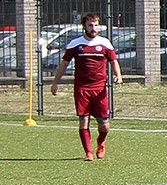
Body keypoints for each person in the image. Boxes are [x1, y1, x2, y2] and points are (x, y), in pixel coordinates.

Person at [49, 13, 122, 161]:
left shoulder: (105, 43)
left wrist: (118, 76)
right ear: (84, 26)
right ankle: (88, 152)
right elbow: (64, 64)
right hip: (82, 88)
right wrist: (55, 82)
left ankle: (100, 143)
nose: (93, 28)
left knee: (104, 124)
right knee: (83, 119)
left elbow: (113, 61)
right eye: (90, 25)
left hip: (100, 88)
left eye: (96, 25)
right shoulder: (75, 44)